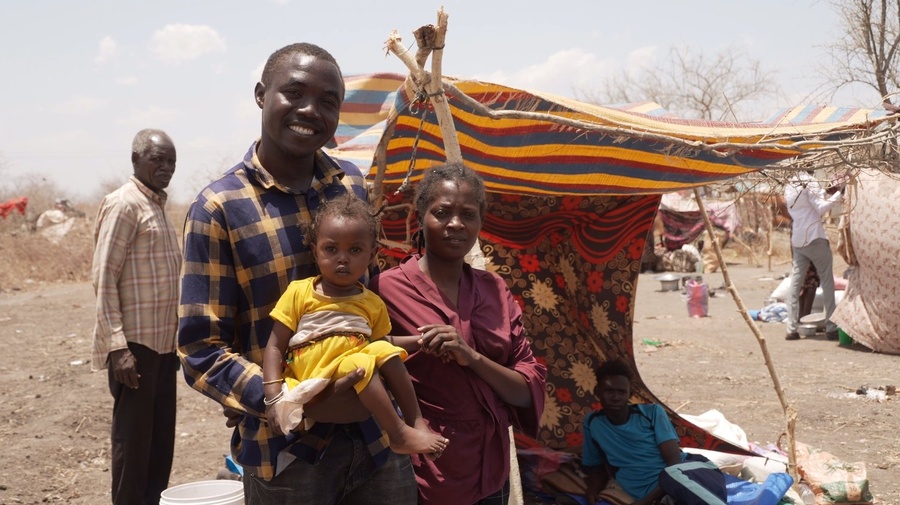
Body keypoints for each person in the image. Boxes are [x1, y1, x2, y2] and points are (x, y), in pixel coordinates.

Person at [178, 42, 417, 504]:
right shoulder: (219, 208)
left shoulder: (349, 183)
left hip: (376, 442)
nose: (311, 110)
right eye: (295, 93)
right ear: (261, 95)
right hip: (286, 456)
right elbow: (199, 348)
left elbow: (366, 296)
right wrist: (281, 399)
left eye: (328, 101)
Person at [369, 162, 547, 505]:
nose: (456, 224)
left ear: (480, 222)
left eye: (468, 214)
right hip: (426, 472)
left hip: (492, 469)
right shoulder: (386, 290)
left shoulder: (494, 289)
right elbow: (361, 357)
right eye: (442, 212)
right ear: (421, 215)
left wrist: (472, 357)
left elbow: (527, 388)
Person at [262, 193, 449, 457]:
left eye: (355, 250)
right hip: (314, 368)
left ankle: (416, 421)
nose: (342, 258)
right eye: (331, 249)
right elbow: (274, 347)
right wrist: (273, 395)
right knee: (362, 363)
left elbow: (381, 343)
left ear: (372, 254)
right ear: (315, 252)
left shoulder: (371, 302)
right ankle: (396, 434)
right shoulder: (300, 292)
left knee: (387, 353)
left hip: (355, 364)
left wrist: (420, 341)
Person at [91, 128, 180, 505]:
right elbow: (104, 274)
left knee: (160, 445)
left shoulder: (156, 205)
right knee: (133, 447)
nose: (166, 168)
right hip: (135, 348)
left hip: (162, 346)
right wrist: (117, 347)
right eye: (157, 159)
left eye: (171, 161)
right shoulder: (124, 203)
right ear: (136, 160)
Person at [582, 360, 726, 505]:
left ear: (630, 394)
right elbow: (597, 466)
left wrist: (645, 502)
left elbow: (674, 466)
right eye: (609, 391)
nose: (615, 397)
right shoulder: (592, 423)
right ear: (597, 392)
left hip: (688, 475)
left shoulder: (652, 413)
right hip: (655, 492)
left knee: (671, 477)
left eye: (621, 392)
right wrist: (592, 490)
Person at [784, 170, 843, 341]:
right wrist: (840, 192)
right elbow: (821, 207)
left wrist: (827, 191)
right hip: (814, 237)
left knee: (795, 284)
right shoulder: (809, 181)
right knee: (827, 281)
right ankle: (831, 327)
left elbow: (809, 202)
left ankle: (791, 328)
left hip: (798, 239)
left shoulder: (790, 183)